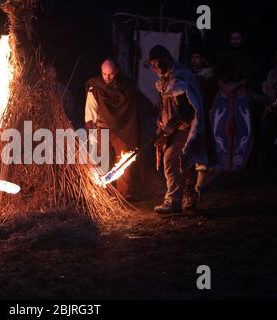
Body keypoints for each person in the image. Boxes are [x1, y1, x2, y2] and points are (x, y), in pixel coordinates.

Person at [149, 45, 208, 214]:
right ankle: (184, 198)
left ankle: (175, 199)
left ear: (165, 60)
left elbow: (186, 109)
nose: (154, 67)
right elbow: (165, 104)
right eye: (151, 63)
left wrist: (170, 127)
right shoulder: (165, 79)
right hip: (174, 127)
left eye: (156, 62)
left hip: (186, 126)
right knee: (180, 161)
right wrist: (161, 123)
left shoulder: (180, 77)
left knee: (174, 158)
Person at [84, 59, 140, 199]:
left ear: (117, 72)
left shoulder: (125, 87)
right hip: (102, 128)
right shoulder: (95, 88)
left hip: (121, 129)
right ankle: (100, 193)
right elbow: (90, 110)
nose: (107, 77)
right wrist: (91, 131)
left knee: (123, 160)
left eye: (111, 74)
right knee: (100, 160)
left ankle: (124, 193)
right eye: (104, 74)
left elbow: (131, 111)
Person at [212, 31, 255, 171]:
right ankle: (223, 160)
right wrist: (224, 87)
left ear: (241, 39)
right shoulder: (223, 55)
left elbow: (249, 76)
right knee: (220, 125)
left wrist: (235, 86)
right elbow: (217, 74)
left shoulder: (247, 56)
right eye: (232, 38)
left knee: (243, 125)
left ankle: (238, 161)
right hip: (224, 93)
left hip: (240, 92)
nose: (234, 41)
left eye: (237, 38)